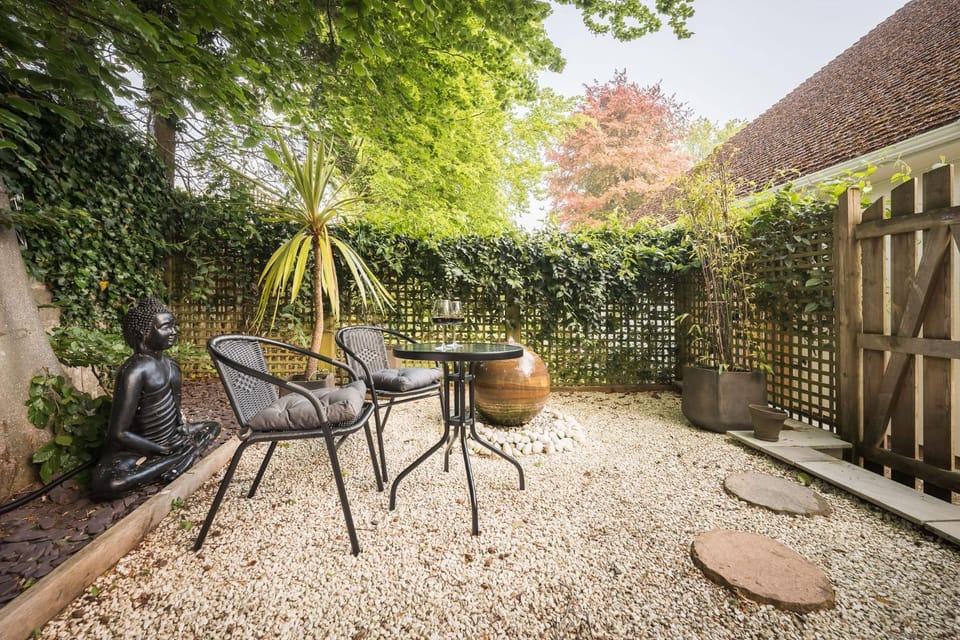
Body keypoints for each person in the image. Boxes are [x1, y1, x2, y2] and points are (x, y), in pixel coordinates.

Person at [90, 298, 220, 500]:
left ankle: (179, 456)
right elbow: (118, 433)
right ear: (144, 333)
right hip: (142, 445)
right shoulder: (134, 370)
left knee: (212, 426)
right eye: (166, 327)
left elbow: (176, 414)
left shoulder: (172, 365)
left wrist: (183, 431)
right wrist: (161, 450)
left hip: (173, 437)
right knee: (108, 483)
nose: (174, 332)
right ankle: (180, 457)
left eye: (174, 326)